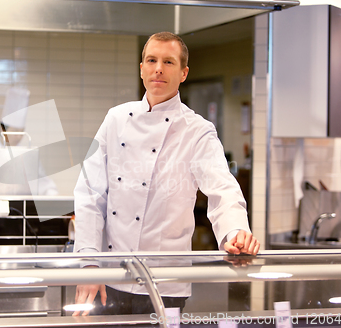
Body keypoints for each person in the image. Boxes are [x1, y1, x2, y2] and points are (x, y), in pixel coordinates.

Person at [72, 31, 259, 316]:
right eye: (151, 60)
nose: (158, 68)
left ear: (183, 73)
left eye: (169, 62)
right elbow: (90, 192)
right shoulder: (115, 119)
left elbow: (223, 189)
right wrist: (88, 263)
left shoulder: (197, 130)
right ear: (141, 69)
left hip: (165, 283)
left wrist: (235, 232)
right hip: (111, 275)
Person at [0, 87, 58, 196]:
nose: (19, 136)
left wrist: (53, 198)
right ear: (3, 129)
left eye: (22, 131)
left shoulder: (28, 155)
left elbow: (45, 185)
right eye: (15, 131)